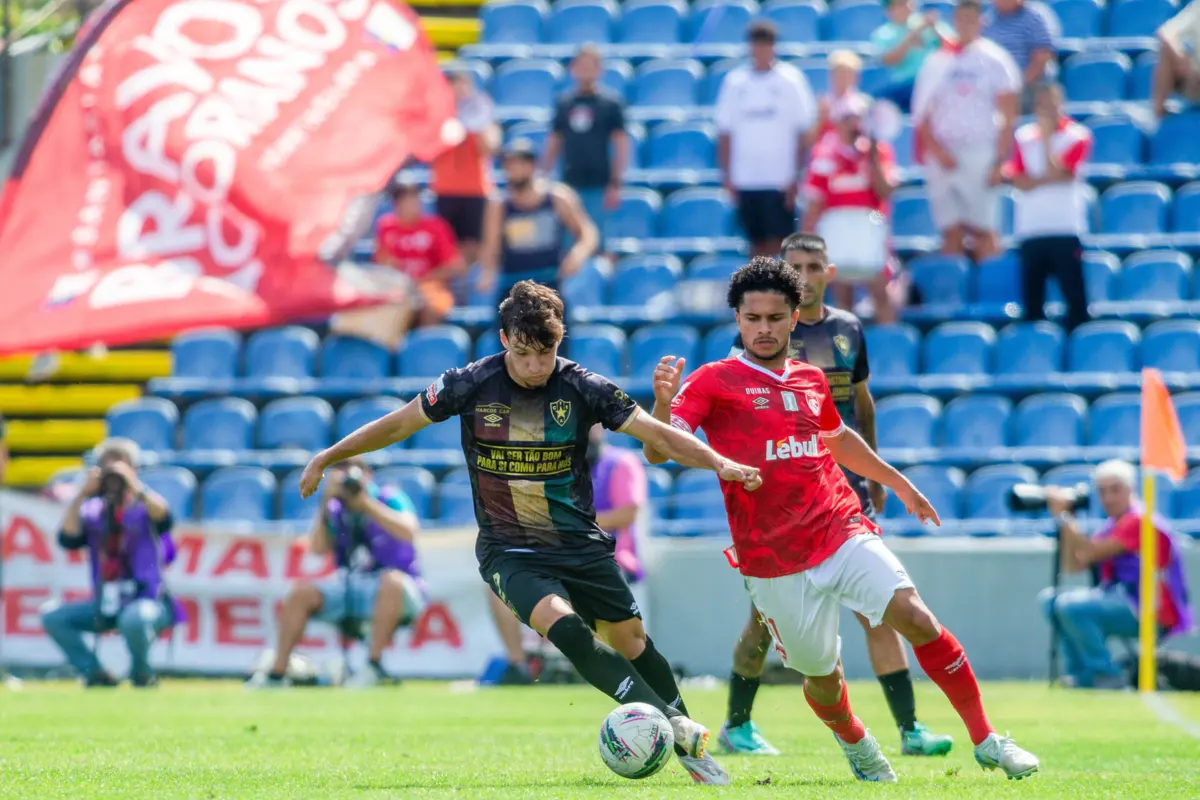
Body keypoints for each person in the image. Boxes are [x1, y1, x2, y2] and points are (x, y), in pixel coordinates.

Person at [298, 281, 764, 785]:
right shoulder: (469, 383)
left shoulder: (583, 386)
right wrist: (329, 456)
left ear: (559, 342)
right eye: (523, 353)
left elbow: (657, 435)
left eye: (546, 353)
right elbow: (398, 424)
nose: (536, 366)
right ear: (505, 339)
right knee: (565, 627)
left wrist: (719, 462)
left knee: (631, 641)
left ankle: (692, 755)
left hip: (579, 544)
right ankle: (676, 727)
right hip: (509, 550)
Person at [643, 257, 1040, 783]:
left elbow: (838, 438)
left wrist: (898, 482)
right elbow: (659, 451)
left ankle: (987, 740)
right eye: (753, 318)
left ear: (794, 318)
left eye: (775, 318)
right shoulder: (714, 380)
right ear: (737, 319)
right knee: (823, 677)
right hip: (772, 557)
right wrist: (663, 405)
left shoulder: (810, 378)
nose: (764, 328)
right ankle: (855, 740)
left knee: (916, 617)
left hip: (838, 526)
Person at [712, 235, 951, 758]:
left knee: (878, 609)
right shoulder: (761, 336)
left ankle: (910, 730)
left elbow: (861, 403)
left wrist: (876, 477)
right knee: (762, 622)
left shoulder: (848, 329)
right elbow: (735, 410)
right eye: (795, 265)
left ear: (829, 271)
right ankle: (736, 723)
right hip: (781, 497)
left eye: (814, 266)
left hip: (841, 487)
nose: (805, 274)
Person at [485, 423, 650, 684]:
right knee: (500, 585)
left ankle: (600, 667)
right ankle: (519, 667)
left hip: (608, 559)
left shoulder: (621, 463)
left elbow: (627, 513)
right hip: (556, 558)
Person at [248, 458, 425, 689]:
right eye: (339, 470)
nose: (346, 477)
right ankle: (276, 675)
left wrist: (366, 504)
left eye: (351, 471)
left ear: (368, 475)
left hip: (401, 588)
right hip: (351, 585)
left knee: (390, 581)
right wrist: (325, 502)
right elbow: (317, 548)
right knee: (301, 593)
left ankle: (372, 667)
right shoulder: (335, 508)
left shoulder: (389, 497)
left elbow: (409, 531)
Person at [1039, 460, 1194, 690]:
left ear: (1131, 489)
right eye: (1102, 492)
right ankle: (1081, 676)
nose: (1108, 498)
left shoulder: (1139, 520)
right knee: (1051, 601)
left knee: (1071, 606)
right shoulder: (1112, 525)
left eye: (1115, 490)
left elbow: (1092, 551)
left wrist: (1064, 518)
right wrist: (1066, 521)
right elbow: (1074, 565)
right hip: (1124, 600)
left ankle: (1105, 675)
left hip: (1150, 609)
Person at [40, 439, 178, 688]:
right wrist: (82, 494)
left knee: (134, 619)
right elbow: (68, 538)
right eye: (108, 467)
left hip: (147, 600)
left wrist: (134, 486)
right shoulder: (92, 511)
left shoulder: (144, 505)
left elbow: (165, 517)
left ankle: (142, 673)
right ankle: (95, 673)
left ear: (134, 469)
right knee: (53, 617)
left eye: (120, 466)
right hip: (105, 602)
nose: (114, 474)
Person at [913, 0, 1020, 262]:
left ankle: (988, 284)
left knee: (984, 230)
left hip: (980, 150)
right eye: (961, 19)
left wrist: (999, 161)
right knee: (950, 230)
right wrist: (936, 150)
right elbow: (921, 113)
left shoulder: (995, 59)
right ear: (954, 21)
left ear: (981, 22)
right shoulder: (937, 61)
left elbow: (1008, 114)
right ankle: (954, 284)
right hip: (943, 154)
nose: (966, 25)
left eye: (971, 19)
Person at [715, 20, 817, 257]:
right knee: (755, 242)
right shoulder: (735, 82)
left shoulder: (791, 80)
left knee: (781, 241)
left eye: (766, 44)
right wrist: (727, 176)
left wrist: (797, 175)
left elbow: (804, 131)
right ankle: (759, 281)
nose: (761, 50)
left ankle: (780, 282)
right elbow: (725, 131)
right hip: (746, 178)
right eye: (757, 45)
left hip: (780, 178)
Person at [331, 181, 465, 349]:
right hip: (397, 289)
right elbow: (382, 265)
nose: (413, 203)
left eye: (415, 198)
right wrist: (391, 268)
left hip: (431, 288)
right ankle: (386, 356)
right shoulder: (386, 226)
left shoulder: (436, 226)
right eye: (407, 199)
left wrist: (424, 279)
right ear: (397, 204)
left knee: (429, 308)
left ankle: (423, 355)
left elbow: (455, 266)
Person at [802, 97, 899, 323]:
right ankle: (846, 344)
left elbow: (885, 191)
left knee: (880, 293)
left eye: (858, 118)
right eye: (848, 118)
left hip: (870, 227)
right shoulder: (824, 155)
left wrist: (872, 154)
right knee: (842, 298)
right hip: (838, 232)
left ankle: (887, 339)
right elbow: (814, 203)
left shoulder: (878, 151)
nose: (854, 124)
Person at [1004, 82, 1092, 331]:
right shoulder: (1023, 137)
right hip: (1031, 231)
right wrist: (1046, 178)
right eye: (1042, 104)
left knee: (1075, 304)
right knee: (1032, 307)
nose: (1047, 109)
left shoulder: (1077, 135)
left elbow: (1060, 173)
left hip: (1065, 229)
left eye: (1052, 104)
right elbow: (1019, 181)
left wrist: (1045, 142)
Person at [478, 141, 598, 298]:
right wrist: (488, 272)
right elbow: (491, 247)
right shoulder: (499, 205)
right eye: (508, 165)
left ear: (532, 165)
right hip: (513, 290)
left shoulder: (557, 198)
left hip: (550, 287)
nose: (512, 170)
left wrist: (577, 255)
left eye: (518, 164)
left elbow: (588, 233)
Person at [542, 44, 629, 252]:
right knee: (569, 243)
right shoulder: (565, 103)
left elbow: (621, 143)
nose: (586, 70)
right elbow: (555, 140)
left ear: (600, 70)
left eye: (591, 65)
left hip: (600, 185)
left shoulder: (610, 104)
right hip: (569, 184)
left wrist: (616, 182)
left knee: (597, 241)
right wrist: (543, 175)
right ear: (573, 69)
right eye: (582, 65)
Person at [432, 69, 499, 267]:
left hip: (475, 191)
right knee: (448, 248)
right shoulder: (438, 119)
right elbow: (428, 151)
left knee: (474, 246)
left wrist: (477, 125)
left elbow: (491, 148)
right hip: (445, 191)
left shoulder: (482, 117)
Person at [871, 0, 951, 113]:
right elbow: (890, 60)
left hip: (935, 82)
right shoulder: (884, 33)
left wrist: (935, 29)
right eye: (900, 4)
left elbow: (955, 49)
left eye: (908, 2)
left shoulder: (929, 24)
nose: (906, 7)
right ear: (889, 9)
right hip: (904, 86)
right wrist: (913, 35)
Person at [983, 0, 1058, 112]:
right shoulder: (987, 21)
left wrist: (1017, 85)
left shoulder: (1034, 17)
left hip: (1029, 86)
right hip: (995, 88)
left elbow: (1042, 56)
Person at [1154, 0, 1200, 119]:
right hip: (1195, 80)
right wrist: (1178, 55)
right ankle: (1159, 113)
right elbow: (1166, 33)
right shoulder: (1197, 8)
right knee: (1166, 53)